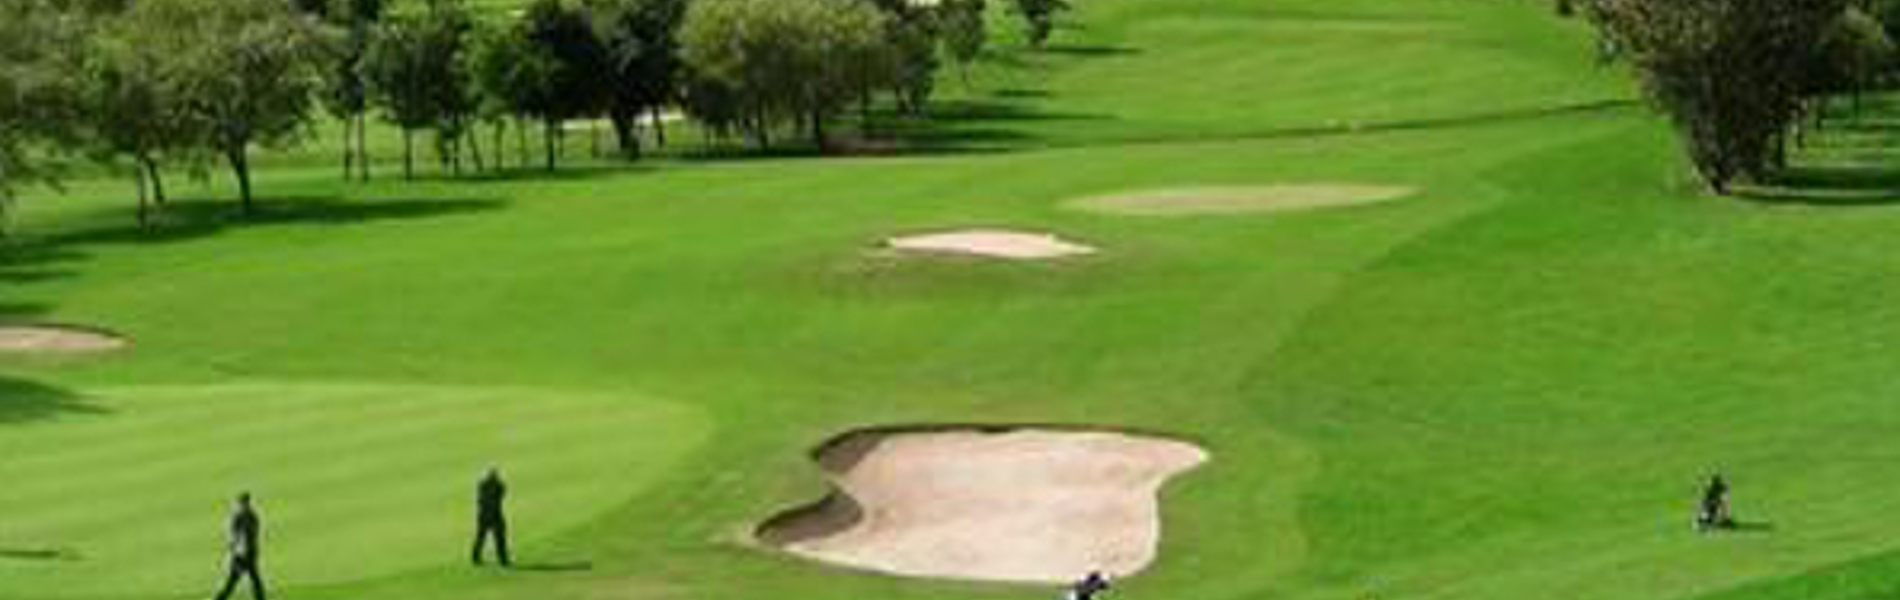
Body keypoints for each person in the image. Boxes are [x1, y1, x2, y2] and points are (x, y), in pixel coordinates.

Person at [213, 492, 267, 600]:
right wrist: (233, 552)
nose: (243, 505)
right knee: (234, 582)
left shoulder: (246, 517)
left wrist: (234, 551)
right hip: (243, 555)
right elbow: (234, 537)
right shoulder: (249, 516)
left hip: (246, 555)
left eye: (243, 503)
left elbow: (239, 538)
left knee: (254, 581)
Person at [472, 467, 511, 567]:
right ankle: (502, 559)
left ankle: (476, 557)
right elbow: (502, 492)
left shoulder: (482, 485)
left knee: (482, 537)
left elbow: (481, 500)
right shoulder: (498, 486)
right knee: (497, 538)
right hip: (493, 515)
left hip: (484, 515)